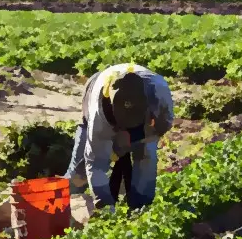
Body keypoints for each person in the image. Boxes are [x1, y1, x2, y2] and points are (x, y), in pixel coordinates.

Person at [65, 63, 175, 213]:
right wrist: (104, 204)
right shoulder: (98, 112)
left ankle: (140, 206)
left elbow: (163, 125)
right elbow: (95, 163)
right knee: (82, 165)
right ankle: (67, 197)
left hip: (143, 118)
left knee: (146, 153)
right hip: (95, 88)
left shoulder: (159, 92)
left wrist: (137, 138)